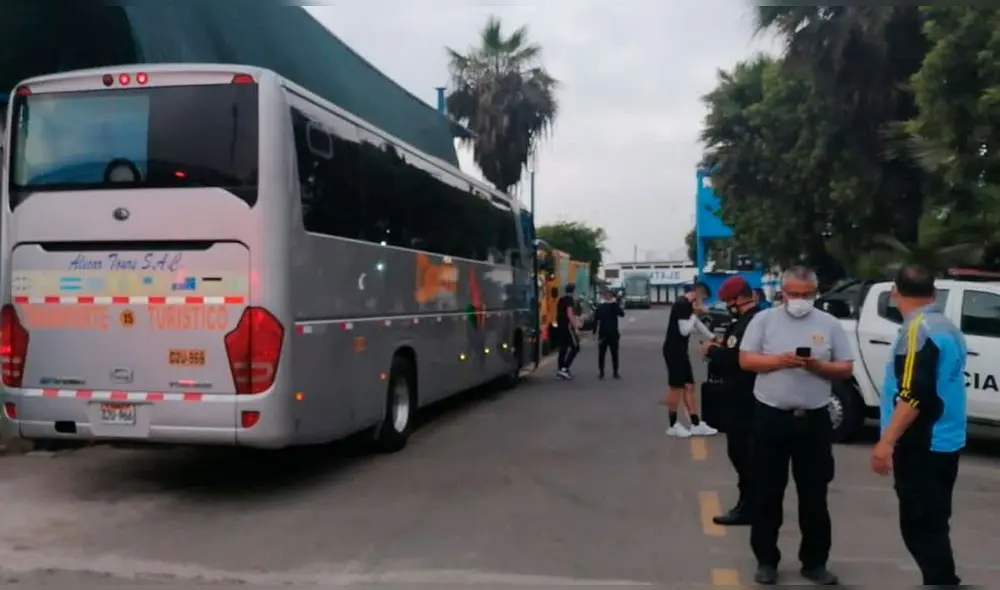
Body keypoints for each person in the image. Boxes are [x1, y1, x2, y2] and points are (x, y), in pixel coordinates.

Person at [738, 266, 854, 585]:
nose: (799, 300)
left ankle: (815, 562)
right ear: (782, 293)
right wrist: (780, 361)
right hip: (771, 417)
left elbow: (845, 367)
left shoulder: (829, 324)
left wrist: (818, 367)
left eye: (806, 294)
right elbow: (746, 360)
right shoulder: (764, 320)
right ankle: (766, 560)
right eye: (793, 294)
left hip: (814, 420)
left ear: (815, 293)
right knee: (767, 493)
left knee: (814, 495)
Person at [870, 264, 966, 586]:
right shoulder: (947, 327)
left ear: (894, 291)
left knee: (920, 526)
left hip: (923, 442)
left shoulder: (917, 331)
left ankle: (942, 582)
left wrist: (886, 442)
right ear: (934, 293)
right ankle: (943, 579)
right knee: (935, 522)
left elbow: (912, 395)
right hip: (946, 439)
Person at [700, 276, 760, 526]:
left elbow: (734, 360)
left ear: (737, 300)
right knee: (748, 455)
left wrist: (712, 351)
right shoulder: (757, 320)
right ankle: (753, 504)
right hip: (751, 397)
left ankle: (749, 507)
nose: (727, 307)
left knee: (742, 453)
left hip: (744, 398)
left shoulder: (746, 325)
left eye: (728, 302)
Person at [663, 282, 718, 438]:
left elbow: (697, 324)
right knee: (676, 387)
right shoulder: (681, 304)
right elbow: (684, 330)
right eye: (703, 298)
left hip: (681, 351)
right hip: (673, 351)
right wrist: (695, 313)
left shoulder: (687, 306)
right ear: (697, 293)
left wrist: (713, 337)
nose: (703, 302)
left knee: (689, 385)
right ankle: (673, 425)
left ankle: (695, 423)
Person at [593, 289, 625, 379]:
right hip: (602, 333)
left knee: (614, 353)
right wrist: (594, 333)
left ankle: (615, 372)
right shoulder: (600, 306)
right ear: (604, 296)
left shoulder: (614, 306)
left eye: (610, 296)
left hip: (613, 333)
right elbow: (596, 319)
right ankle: (601, 372)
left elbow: (622, 314)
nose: (608, 297)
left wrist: (615, 304)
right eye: (606, 295)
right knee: (601, 354)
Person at [555, 283, 581, 379]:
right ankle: (564, 368)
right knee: (575, 347)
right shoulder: (569, 300)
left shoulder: (560, 299)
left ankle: (560, 369)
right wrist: (576, 327)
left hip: (560, 326)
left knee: (563, 348)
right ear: (573, 291)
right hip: (567, 326)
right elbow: (569, 314)